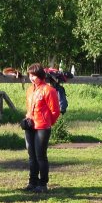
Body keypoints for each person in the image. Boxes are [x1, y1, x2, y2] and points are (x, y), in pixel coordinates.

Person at [22, 63, 60, 193]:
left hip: (42, 127)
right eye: (30, 75)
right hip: (30, 126)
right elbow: (28, 107)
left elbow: (55, 111)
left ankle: (43, 183)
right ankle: (32, 182)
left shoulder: (49, 90)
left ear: (41, 76)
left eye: (34, 76)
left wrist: (47, 123)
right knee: (31, 156)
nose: (32, 78)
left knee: (40, 156)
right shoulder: (29, 90)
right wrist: (27, 118)